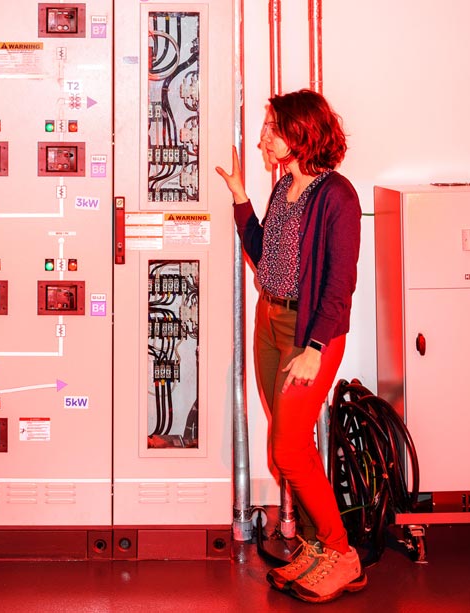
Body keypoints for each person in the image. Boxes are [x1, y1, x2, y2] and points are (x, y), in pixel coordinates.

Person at [215, 89, 365, 604]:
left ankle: (342, 555)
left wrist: (317, 345)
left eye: (271, 128)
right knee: (289, 445)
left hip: (310, 333)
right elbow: (263, 253)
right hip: (269, 321)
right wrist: (239, 193)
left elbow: (339, 283)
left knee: (288, 449)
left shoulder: (338, 196)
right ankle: (319, 546)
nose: (262, 137)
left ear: (299, 134)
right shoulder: (284, 191)